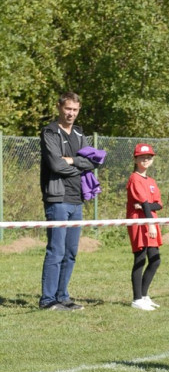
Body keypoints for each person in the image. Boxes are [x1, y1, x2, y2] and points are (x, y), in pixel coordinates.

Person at [39, 91, 93, 310]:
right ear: (59, 107)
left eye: (75, 110)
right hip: (57, 199)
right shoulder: (50, 132)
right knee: (56, 250)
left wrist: (72, 161)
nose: (71, 113)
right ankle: (48, 300)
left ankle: (63, 296)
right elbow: (55, 165)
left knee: (71, 252)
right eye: (68, 108)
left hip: (77, 199)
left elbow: (93, 162)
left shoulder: (80, 134)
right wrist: (79, 165)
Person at [126, 143, 163, 311]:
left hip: (151, 220)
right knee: (140, 259)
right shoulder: (134, 178)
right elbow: (143, 202)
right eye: (142, 157)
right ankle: (136, 298)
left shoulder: (152, 181)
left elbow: (158, 205)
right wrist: (147, 213)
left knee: (155, 260)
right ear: (135, 159)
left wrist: (147, 207)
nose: (146, 159)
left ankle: (144, 295)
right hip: (140, 222)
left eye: (149, 157)